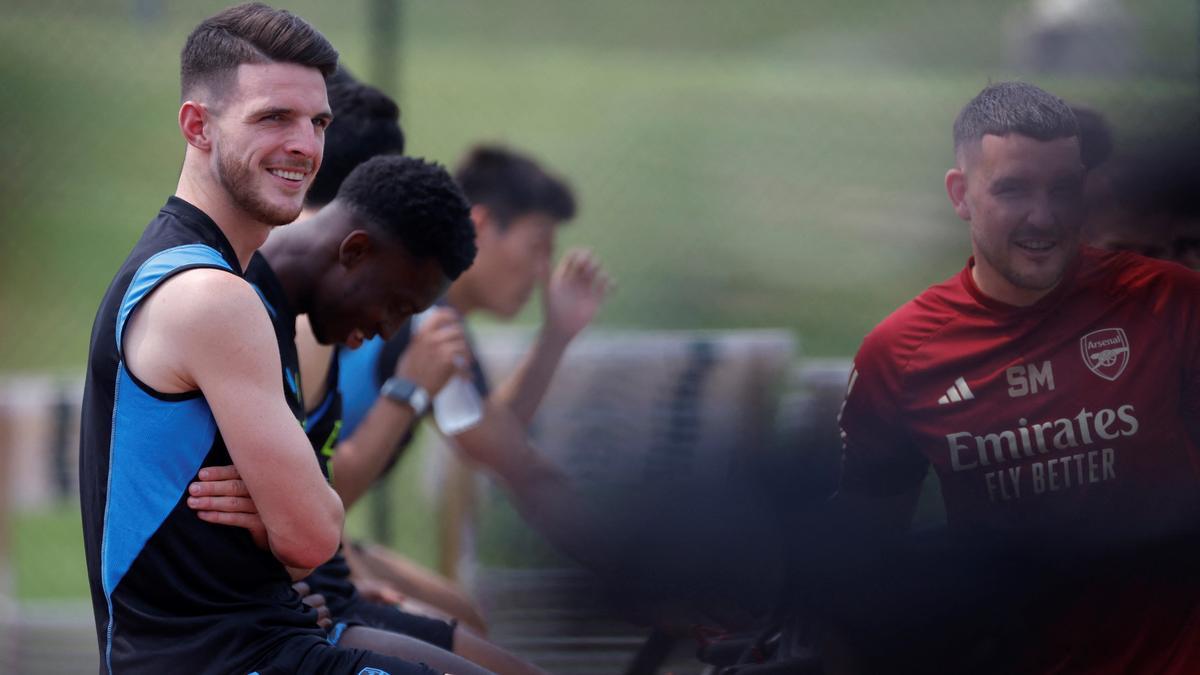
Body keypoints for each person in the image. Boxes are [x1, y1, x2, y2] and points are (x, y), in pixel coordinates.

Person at [78, 5, 460, 673]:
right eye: (273, 118)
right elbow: (312, 534)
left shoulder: (231, 279)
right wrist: (302, 506)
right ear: (198, 126)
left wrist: (296, 504)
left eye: (317, 122)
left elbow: (303, 529)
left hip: (265, 641)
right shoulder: (211, 296)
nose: (305, 146)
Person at [833, 81, 1200, 672]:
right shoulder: (900, 354)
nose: (1044, 216)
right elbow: (863, 555)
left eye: (1063, 190)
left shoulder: (1172, 303)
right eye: (1012, 190)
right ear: (961, 193)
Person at [311, 144, 608, 599]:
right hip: (287, 545)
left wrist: (555, 337)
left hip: (315, 535)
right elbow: (518, 465)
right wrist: (634, 571)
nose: (542, 272)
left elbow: (491, 437)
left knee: (462, 615)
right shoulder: (419, 315)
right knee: (463, 640)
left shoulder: (426, 310)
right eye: (536, 248)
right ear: (481, 226)